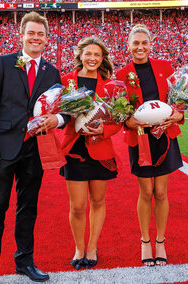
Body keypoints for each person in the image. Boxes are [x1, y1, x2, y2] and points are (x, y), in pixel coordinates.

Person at [0, 12, 69, 284]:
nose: (36, 38)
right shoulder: (4, 63)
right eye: (31, 33)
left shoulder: (51, 71)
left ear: (46, 39)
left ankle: (24, 262)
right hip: (4, 149)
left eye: (40, 34)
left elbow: (61, 111)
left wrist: (58, 119)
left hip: (35, 149)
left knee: (28, 207)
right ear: (21, 36)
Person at [116, 25, 184, 267]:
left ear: (150, 44)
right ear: (128, 46)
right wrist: (127, 120)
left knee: (162, 192)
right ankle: (145, 241)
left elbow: (180, 100)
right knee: (145, 192)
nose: (140, 47)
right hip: (140, 138)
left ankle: (161, 241)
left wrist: (179, 115)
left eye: (144, 42)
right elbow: (118, 110)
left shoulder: (166, 68)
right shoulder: (123, 74)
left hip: (164, 137)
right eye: (136, 43)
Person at [60, 37, 120, 270]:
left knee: (98, 201)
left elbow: (118, 120)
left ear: (102, 58)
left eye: (97, 55)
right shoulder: (66, 81)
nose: (92, 58)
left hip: (101, 150)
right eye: (88, 54)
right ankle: (78, 247)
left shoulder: (111, 85)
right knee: (77, 206)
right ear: (80, 55)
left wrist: (105, 129)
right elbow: (57, 111)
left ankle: (92, 246)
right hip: (74, 150)